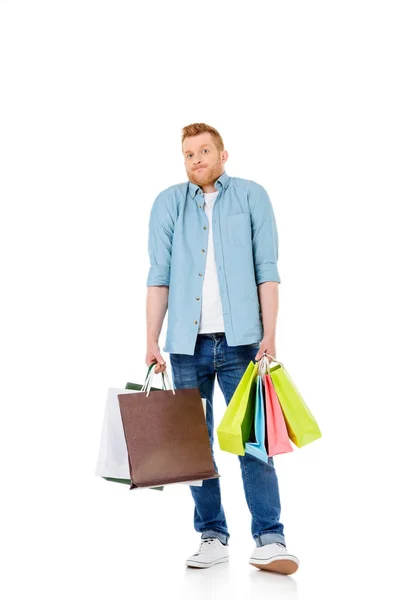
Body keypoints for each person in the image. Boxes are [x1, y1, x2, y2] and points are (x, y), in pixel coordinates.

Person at [145, 122, 299, 575]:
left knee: (255, 443)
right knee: (195, 449)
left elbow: (266, 270)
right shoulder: (168, 203)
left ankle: (270, 539)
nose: (196, 160)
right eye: (188, 154)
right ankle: (212, 536)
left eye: (204, 151)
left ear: (223, 154)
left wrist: (270, 335)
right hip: (184, 347)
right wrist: (150, 340)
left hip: (243, 345)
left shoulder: (251, 196)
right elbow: (158, 276)